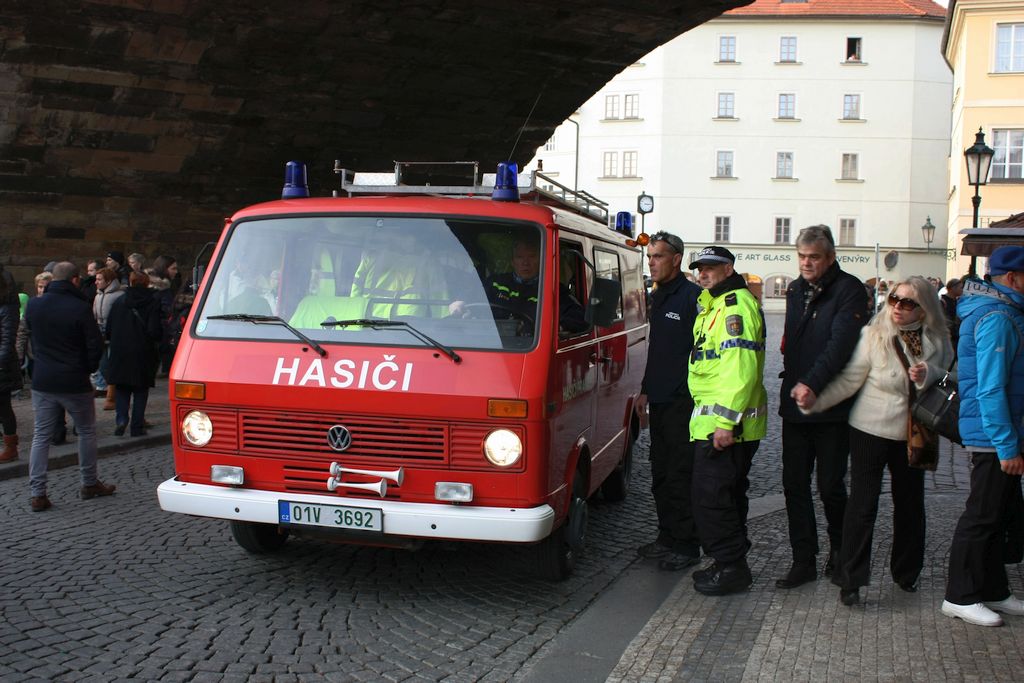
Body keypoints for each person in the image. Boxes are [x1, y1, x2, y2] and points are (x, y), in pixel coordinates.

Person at [798, 277, 952, 606]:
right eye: (895, 299)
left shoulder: (938, 339)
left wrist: (932, 374)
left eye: (908, 303)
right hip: (870, 427)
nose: (898, 307)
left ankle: (907, 573)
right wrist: (816, 400)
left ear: (924, 309)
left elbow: (954, 377)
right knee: (863, 504)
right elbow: (850, 380)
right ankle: (850, 579)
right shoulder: (874, 334)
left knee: (910, 503)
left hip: (916, 431)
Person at [776, 225, 869, 589]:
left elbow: (840, 345)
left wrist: (812, 383)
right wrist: (796, 385)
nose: (806, 263)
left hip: (832, 405)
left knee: (830, 485)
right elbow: (793, 343)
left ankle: (841, 551)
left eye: (813, 257)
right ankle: (804, 559)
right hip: (795, 404)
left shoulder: (849, 290)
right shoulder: (795, 289)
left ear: (830, 257)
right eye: (801, 256)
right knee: (794, 485)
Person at [942, 246, 1024, 627]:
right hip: (994, 435)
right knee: (982, 515)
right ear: (1013, 278)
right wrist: (1007, 445)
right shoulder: (997, 316)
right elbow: (991, 389)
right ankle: (959, 596)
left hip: (1000, 432)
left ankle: (993, 589)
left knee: (998, 514)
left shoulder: (1002, 311)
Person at [687, 246, 767, 595]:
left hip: (726, 427)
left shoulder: (734, 306)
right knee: (725, 496)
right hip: (717, 424)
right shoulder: (715, 305)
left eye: (710, 268)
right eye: (700, 268)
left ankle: (732, 567)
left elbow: (739, 369)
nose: (703, 274)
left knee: (712, 498)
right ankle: (727, 562)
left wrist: (725, 422)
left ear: (728, 269)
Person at [633, 232, 703, 571]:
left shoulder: (693, 298)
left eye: (658, 256)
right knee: (660, 472)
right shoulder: (656, 297)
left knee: (680, 474)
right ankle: (667, 537)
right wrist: (645, 390)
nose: (652, 263)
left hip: (683, 402)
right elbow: (656, 351)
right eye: (649, 257)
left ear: (676, 259)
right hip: (659, 399)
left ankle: (686, 545)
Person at [24, 262, 115, 511]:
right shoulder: (79, 307)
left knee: (41, 436)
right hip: (74, 379)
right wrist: (86, 368)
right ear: (75, 280)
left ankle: (37, 493)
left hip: (43, 378)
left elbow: (30, 337)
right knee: (86, 431)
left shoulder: (35, 305)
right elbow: (95, 344)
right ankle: (89, 482)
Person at [450, 239, 586, 333]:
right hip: (490, 344)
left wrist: (557, 328)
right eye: (520, 257)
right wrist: (460, 302)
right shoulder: (495, 283)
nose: (525, 262)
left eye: (531, 256)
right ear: (513, 261)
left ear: (541, 260)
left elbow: (581, 318)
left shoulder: (554, 289)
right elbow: (471, 297)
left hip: (531, 349)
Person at [105, 272, 162, 437]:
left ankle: (121, 419)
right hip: (143, 352)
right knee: (140, 391)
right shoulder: (152, 302)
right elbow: (154, 331)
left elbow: (109, 329)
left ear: (130, 282)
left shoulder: (119, 301)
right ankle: (137, 426)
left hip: (120, 351)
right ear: (147, 283)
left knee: (122, 389)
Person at [92, 267, 124, 409]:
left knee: (111, 365)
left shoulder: (118, 296)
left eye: (99, 279)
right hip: (100, 332)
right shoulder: (98, 295)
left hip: (114, 333)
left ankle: (113, 396)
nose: (96, 282)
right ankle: (110, 390)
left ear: (109, 281)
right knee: (102, 364)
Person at [0, 265, 22, 463]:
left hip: (2, 366)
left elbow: (7, 340)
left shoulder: (8, 306)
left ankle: (11, 446)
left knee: (4, 407)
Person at [940, 277, 963, 356]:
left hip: (957, 337)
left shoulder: (958, 301)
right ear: (953, 288)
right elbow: (946, 321)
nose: (962, 290)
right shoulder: (943, 302)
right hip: (949, 338)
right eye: (961, 287)